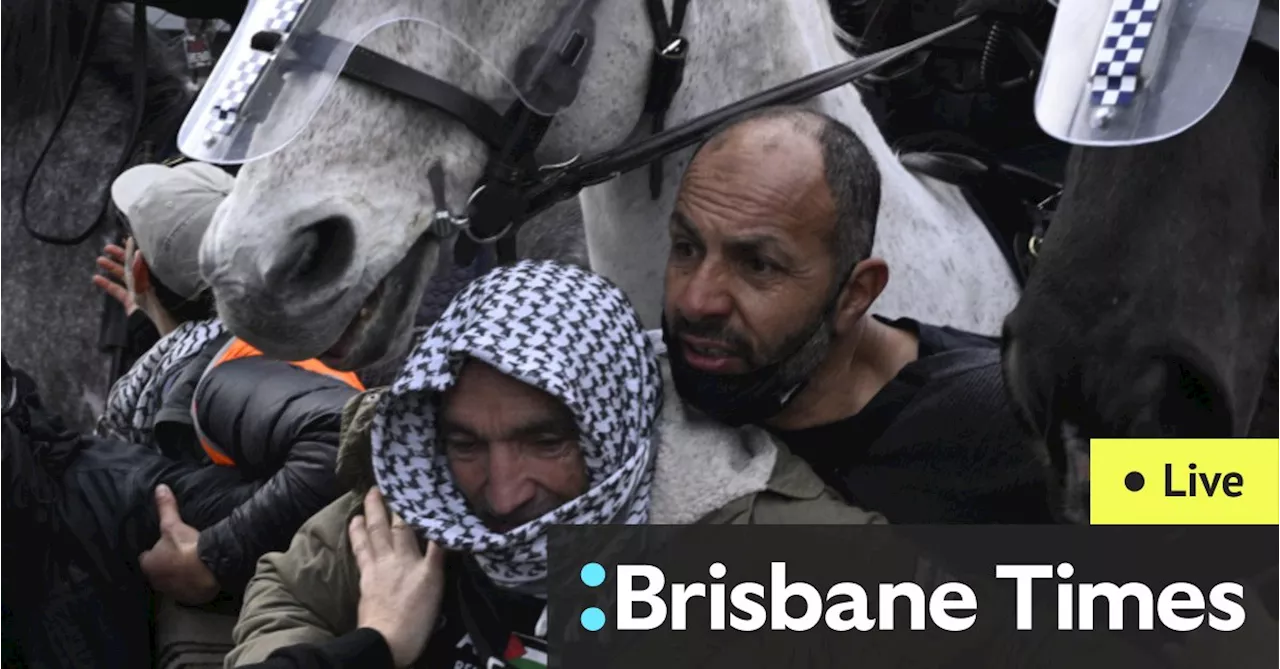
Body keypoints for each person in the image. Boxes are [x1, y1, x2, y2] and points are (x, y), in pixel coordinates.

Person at [223, 259, 886, 669]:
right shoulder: (418, 504)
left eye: (545, 442)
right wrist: (375, 644)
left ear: (613, 422)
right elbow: (287, 596)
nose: (504, 493)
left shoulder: (756, 542)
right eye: (467, 444)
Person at [660, 105, 1055, 524]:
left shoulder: (1008, 416)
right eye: (687, 247)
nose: (696, 301)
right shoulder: (637, 392)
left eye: (758, 265)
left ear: (854, 295)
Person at [84, 159, 368, 604]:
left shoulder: (221, 379)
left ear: (138, 272)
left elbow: (342, 435)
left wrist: (214, 556)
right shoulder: (293, 334)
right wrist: (156, 329)